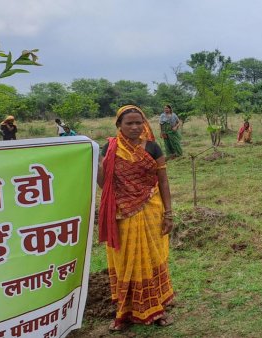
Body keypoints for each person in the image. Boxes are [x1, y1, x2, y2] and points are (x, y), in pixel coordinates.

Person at [97, 105, 175, 331]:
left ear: (144, 124)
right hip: (121, 214)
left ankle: (158, 308)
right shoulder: (110, 148)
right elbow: (104, 182)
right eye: (129, 123)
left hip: (151, 210)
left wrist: (169, 213)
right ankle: (124, 311)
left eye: (138, 123)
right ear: (118, 125)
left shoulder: (152, 147)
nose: (134, 127)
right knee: (125, 262)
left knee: (152, 258)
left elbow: (164, 181)